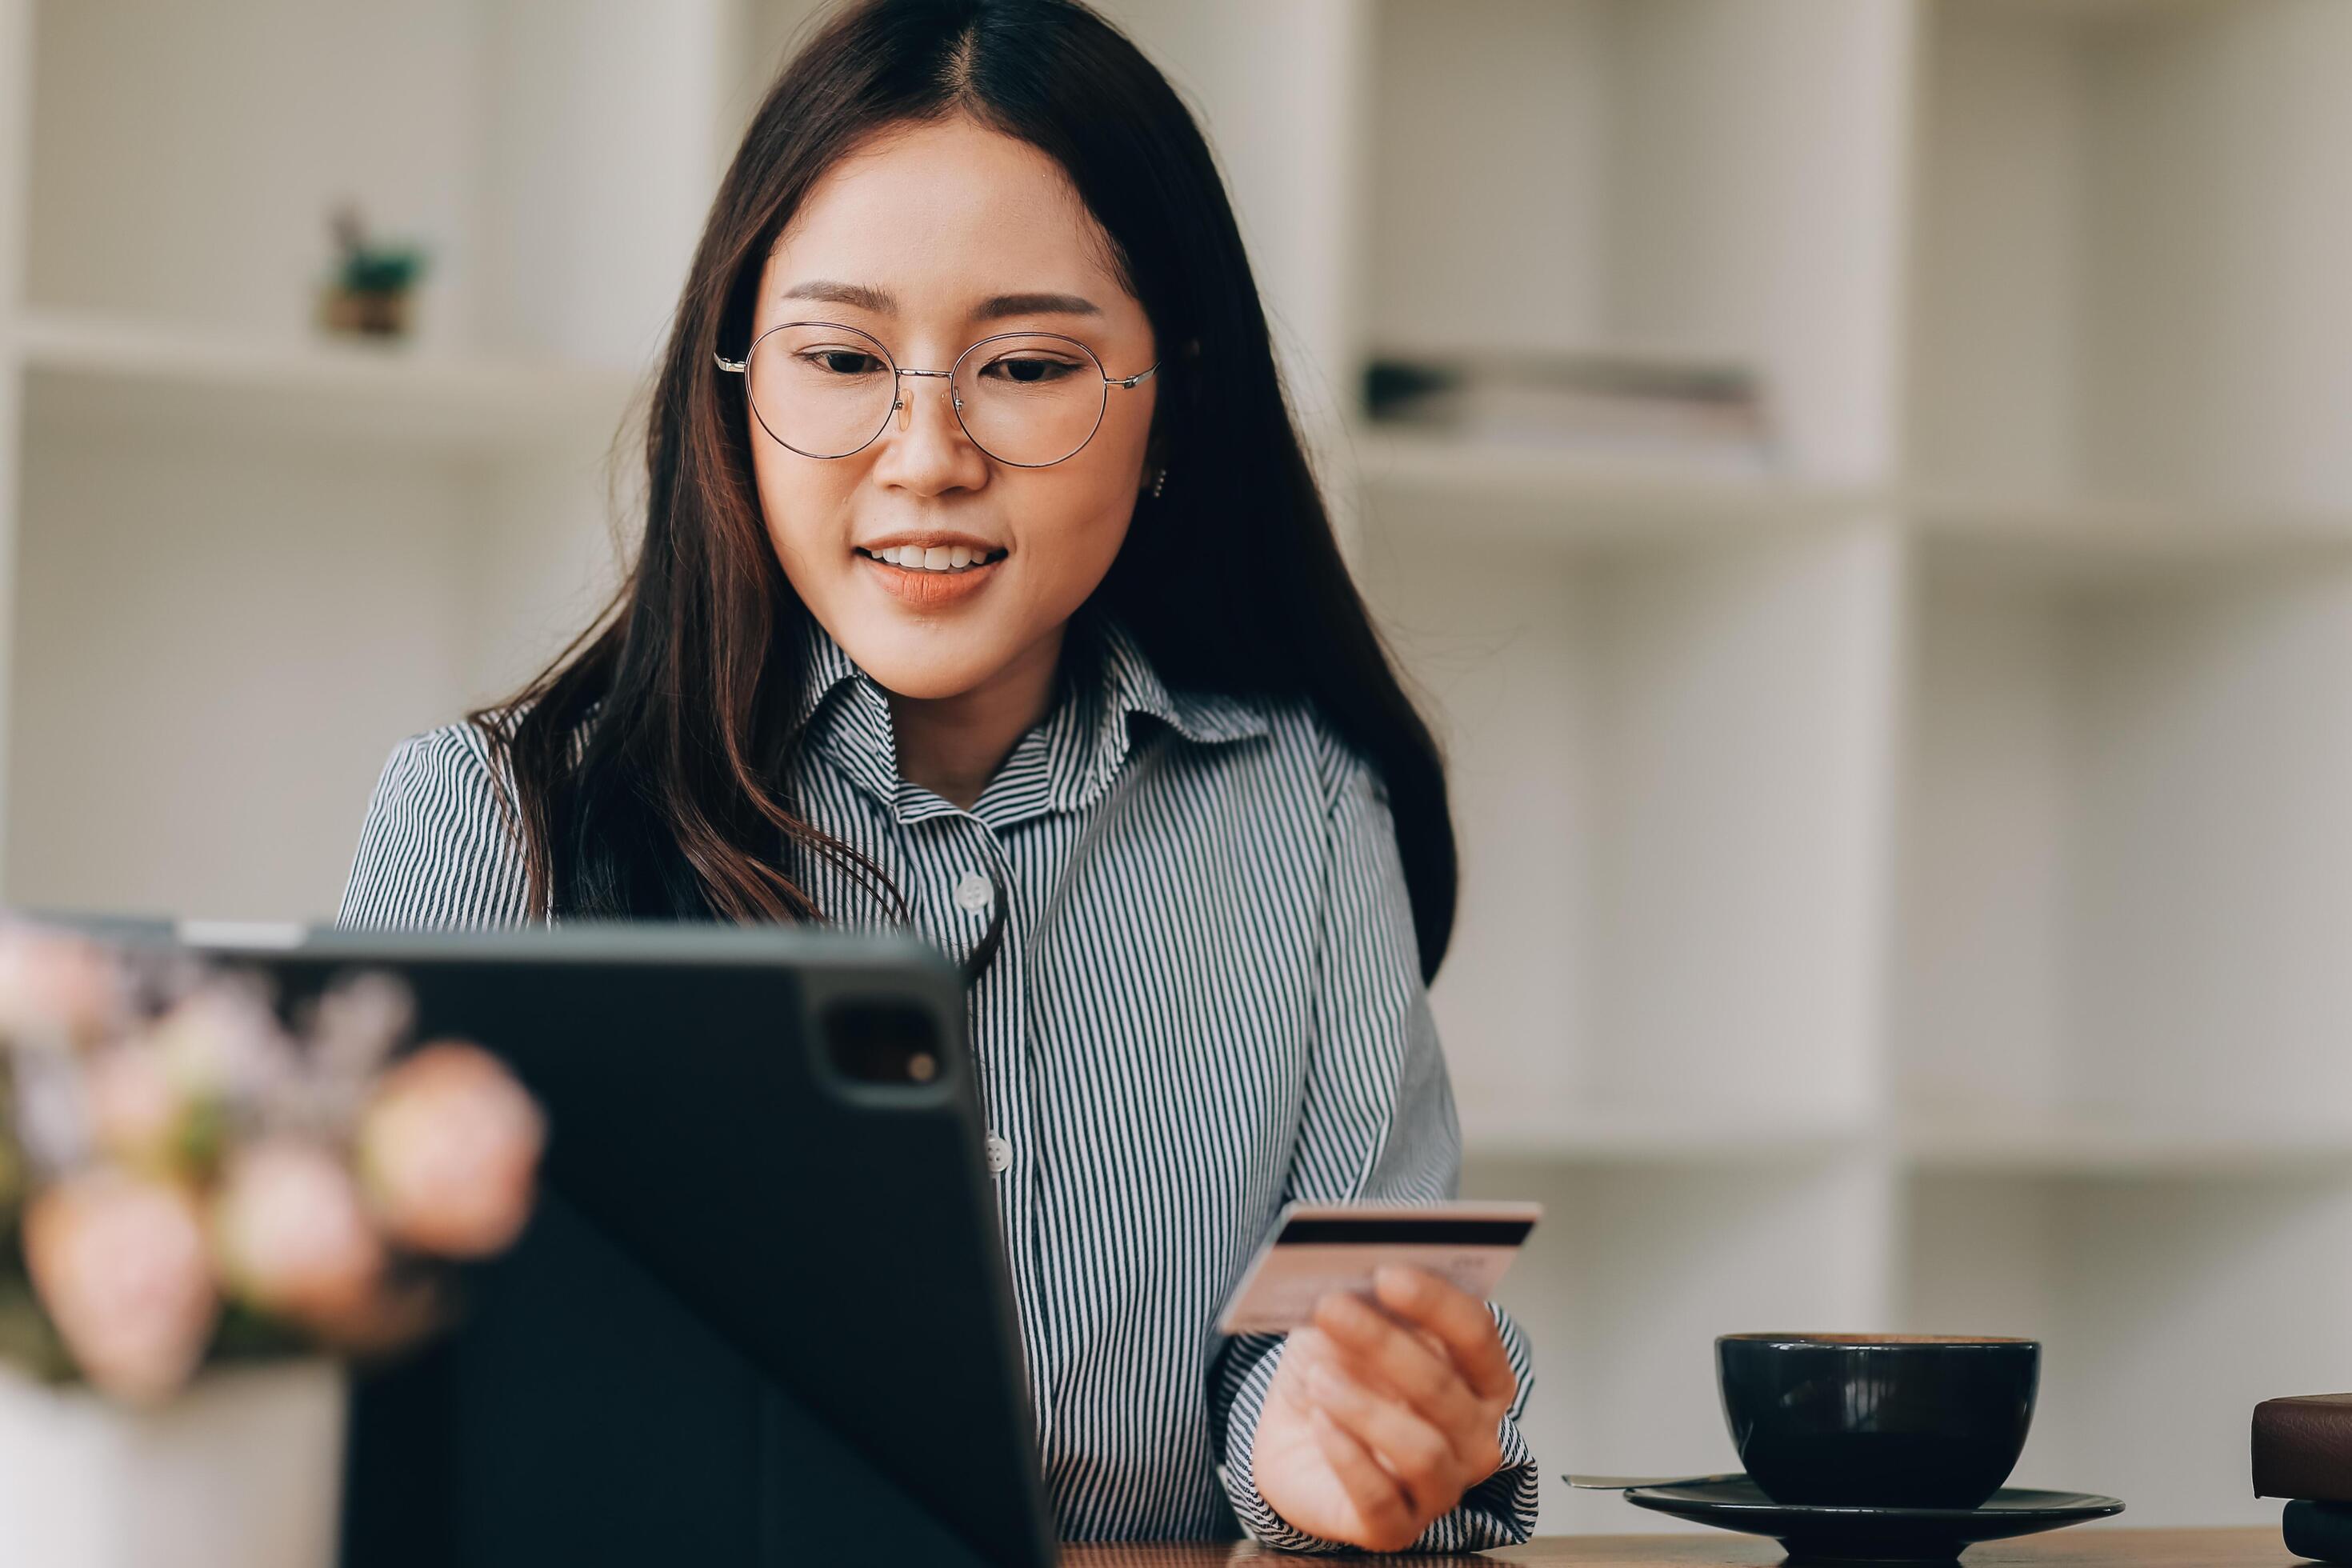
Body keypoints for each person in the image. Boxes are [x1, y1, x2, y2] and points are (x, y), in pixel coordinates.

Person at [334, 0, 1537, 1550]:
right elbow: (351, 1406)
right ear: (734, 387)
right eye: (840, 355)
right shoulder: (490, 829)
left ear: (1169, 398)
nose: (924, 453)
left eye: (1027, 365)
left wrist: (1337, 1442)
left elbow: (1339, 1348)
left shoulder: (1307, 820)